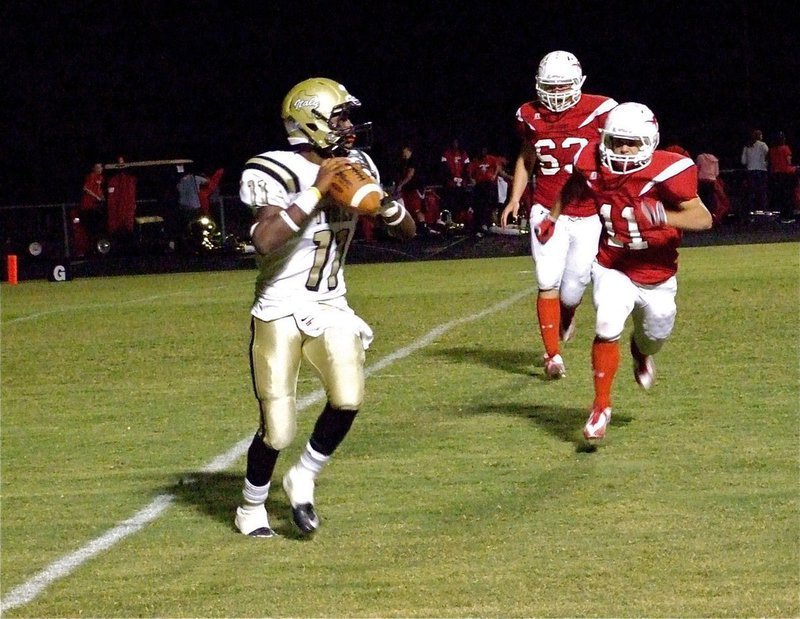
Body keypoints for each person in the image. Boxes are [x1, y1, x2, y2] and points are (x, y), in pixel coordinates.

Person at [234, 77, 416, 538]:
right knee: (277, 430)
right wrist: (316, 191)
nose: (349, 125)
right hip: (278, 308)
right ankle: (251, 506)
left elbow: (407, 230)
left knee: (349, 397)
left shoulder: (359, 164)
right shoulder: (273, 167)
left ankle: (304, 475)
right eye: (340, 117)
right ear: (310, 120)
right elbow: (264, 240)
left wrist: (390, 210)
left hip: (330, 303)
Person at [541, 102, 712, 440]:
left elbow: (703, 218)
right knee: (606, 323)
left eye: (632, 142)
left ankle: (641, 353)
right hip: (613, 264)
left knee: (654, 337)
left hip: (657, 275)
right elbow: (573, 185)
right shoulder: (590, 162)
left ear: (649, 141)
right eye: (618, 141)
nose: (623, 149)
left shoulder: (669, 170)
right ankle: (600, 407)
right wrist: (553, 215)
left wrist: (664, 217)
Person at [500, 50, 618, 378]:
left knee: (574, 287)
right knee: (546, 279)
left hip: (587, 211)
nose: (555, 94)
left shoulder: (602, 110)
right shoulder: (528, 114)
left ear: (578, 83)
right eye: (549, 88)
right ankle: (552, 355)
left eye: (562, 86)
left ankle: (566, 315)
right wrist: (515, 198)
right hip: (546, 209)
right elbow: (527, 156)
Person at [468, 146, 511, 235]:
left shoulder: (491, 159)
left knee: (490, 206)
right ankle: (480, 226)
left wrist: (495, 175)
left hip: (490, 186)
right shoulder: (475, 161)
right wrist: (472, 179)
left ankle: (489, 224)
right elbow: (470, 172)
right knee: (480, 207)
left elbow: (498, 168)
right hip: (480, 186)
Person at [440, 138, 471, 230]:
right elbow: (444, 168)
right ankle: (450, 223)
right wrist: (453, 178)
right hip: (450, 184)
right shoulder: (446, 154)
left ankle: (461, 223)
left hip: (461, 184)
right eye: (454, 142)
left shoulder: (463, 154)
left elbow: (467, 167)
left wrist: (462, 178)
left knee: (462, 204)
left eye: (457, 143)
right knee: (450, 204)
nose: (455, 144)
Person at [76, 162, 106, 255]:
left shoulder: (100, 178)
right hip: (87, 207)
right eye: (97, 167)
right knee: (89, 229)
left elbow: (98, 189)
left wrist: (103, 197)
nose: (99, 169)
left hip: (95, 206)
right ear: (94, 168)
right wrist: (96, 196)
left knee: (97, 228)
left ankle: (97, 248)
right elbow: (85, 188)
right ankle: (88, 250)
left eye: (100, 167)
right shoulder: (91, 176)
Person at [695, 148, 731, 226]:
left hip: (702, 181)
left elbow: (697, 169)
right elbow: (716, 173)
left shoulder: (700, 157)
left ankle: (702, 218)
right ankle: (712, 218)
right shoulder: (715, 159)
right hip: (712, 181)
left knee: (703, 200)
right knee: (711, 200)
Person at [768, 132, 797, 224]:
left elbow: (770, 161)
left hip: (776, 175)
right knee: (788, 195)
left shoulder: (772, 150)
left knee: (779, 196)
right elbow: (788, 162)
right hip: (786, 175)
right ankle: (789, 215)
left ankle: (781, 215)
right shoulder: (786, 148)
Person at [741, 128, 769, 216]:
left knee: (751, 191)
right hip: (761, 170)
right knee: (762, 191)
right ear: (759, 136)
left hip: (750, 171)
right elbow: (768, 154)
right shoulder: (763, 145)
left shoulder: (747, 146)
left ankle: (751, 209)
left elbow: (743, 161)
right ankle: (763, 209)